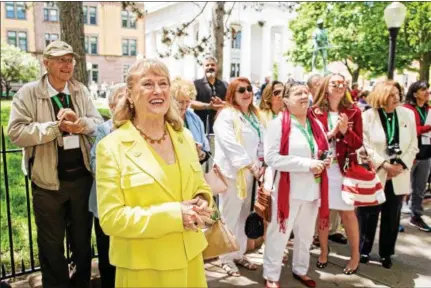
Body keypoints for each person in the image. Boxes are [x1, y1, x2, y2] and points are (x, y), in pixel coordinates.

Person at [95, 59, 214, 287]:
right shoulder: (111, 146)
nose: (158, 90)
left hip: (190, 262)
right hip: (144, 268)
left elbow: (201, 185)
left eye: (163, 83)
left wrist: (202, 200)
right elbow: (111, 219)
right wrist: (174, 215)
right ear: (129, 94)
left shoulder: (185, 137)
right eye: (148, 84)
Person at [7, 40, 103, 287]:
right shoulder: (28, 93)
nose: (66, 65)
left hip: (81, 179)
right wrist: (54, 128)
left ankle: (80, 282)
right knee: (51, 244)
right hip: (47, 182)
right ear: (46, 63)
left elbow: (97, 123)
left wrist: (79, 124)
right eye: (60, 60)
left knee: (82, 241)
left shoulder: (80, 90)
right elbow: (16, 132)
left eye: (70, 60)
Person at [263, 82, 330, 288]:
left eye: (306, 92)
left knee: (306, 234)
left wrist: (325, 159)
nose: (304, 96)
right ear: (285, 101)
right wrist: (307, 164)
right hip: (288, 190)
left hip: (313, 189)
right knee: (280, 233)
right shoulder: (277, 124)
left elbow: (324, 148)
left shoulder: (315, 123)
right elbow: (271, 158)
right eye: (298, 93)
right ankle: (271, 275)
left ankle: (301, 269)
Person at [358, 80, 418, 268]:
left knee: (392, 216)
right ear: (381, 96)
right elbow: (365, 144)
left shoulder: (407, 114)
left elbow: (413, 144)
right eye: (391, 95)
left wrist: (399, 165)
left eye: (398, 94)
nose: (397, 98)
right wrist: (384, 165)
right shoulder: (368, 116)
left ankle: (386, 253)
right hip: (376, 173)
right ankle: (363, 250)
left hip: (398, 173)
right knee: (368, 215)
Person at [312, 73, 363, 275]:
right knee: (322, 212)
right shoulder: (314, 112)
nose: (340, 86)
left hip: (344, 170)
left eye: (343, 83)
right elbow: (313, 141)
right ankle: (324, 251)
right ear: (326, 87)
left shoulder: (354, 111)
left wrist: (346, 131)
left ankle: (355, 255)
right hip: (322, 169)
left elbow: (358, 142)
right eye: (335, 83)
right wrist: (333, 133)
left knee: (348, 213)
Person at [214, 77, 264, 277]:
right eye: (241, 90)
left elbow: (262, 141)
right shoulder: (226, 115)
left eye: (249, 89)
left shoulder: (255, 115)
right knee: (229, 216)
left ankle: (239, 253)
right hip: (233, 175)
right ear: (232, 94)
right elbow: (229, 144)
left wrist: (261, 165)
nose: (246, 93)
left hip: (253, 175)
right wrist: (250, 165)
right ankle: (224, 258)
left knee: (244, 216)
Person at [89, 83, 126, 288]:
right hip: (106, 205)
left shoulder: (139, 126)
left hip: (131, 205)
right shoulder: (104, 129)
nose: (126, 101)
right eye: (121, 97)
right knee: (108, 256)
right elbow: (95, 163)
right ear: (112, 106)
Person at [403, 81, 431, 232]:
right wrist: (428, 127)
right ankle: (392, 219)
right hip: (410, 154)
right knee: (400, 188)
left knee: (420, 188)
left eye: (427, 89)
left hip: (426, 153)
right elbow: (411, 130)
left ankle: (416, 216)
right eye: (423, 89)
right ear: (415, 94)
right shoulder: (407, 110)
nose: (427, 92)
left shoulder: (429, 109)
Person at [171, 77, 210, 164]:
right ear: (171, 100)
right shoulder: (164, 119)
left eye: (188, 101)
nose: (185, 105)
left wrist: (201, 154)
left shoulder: (195, 119)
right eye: (180, 102)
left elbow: (206, 151)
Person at [192, 55, 227, 133]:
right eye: (207, 65)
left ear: (217, 67)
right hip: (199, 126)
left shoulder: (224, 85)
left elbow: (230, 104)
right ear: (203, 67)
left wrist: (222, 104)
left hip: (220, 126)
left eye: (212, 65)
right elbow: (191, 103)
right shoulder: (196, 84)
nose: (210, 67)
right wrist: (208, 106)